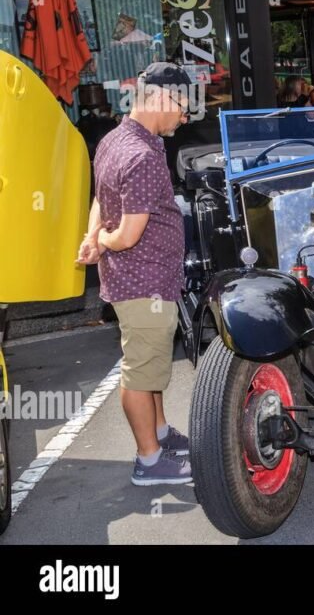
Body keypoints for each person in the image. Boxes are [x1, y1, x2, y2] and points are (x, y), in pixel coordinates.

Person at [76, 62, 193, 486]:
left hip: (137, 279)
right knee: (141, 372)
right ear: (160, 98)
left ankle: (160, 434)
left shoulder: (116, 139)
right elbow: (125, 234)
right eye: (182, 106)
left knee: (150, 366)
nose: (185, 117)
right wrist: (102, 240)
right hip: (144, 281)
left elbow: (98, 201)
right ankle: (150, 460)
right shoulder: (142, 154)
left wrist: (92, 238)